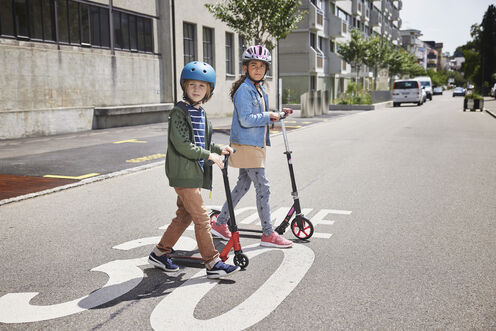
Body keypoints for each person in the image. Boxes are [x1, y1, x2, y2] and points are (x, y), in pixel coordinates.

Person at [148, 61, 240, 279]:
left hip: (193, 172)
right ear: (185, 87)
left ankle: (159, 253)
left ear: (209, 90)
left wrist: (219, 148)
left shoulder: (201, 113)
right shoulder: (179, 112)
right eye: (192, 85)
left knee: (184, 216)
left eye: (202, 86)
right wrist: (209, 155)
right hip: (184, 173)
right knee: (202, 218)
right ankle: (213, 262)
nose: (197, 89)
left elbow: (202, 143)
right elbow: (182, 144)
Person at [210, 45, 293, 248]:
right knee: (263, 187)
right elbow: (247, 119)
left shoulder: (259, 89)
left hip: (254, 144)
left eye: (262, 66)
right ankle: (268, 234)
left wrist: (277, 114)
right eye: (253, 65)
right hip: (246, 144)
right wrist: (269, 115)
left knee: (243, 185)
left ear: (266, 70)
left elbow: (260, 114)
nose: (257, 69)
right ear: (245, 68)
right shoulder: (244, 90)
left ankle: (220, 223)